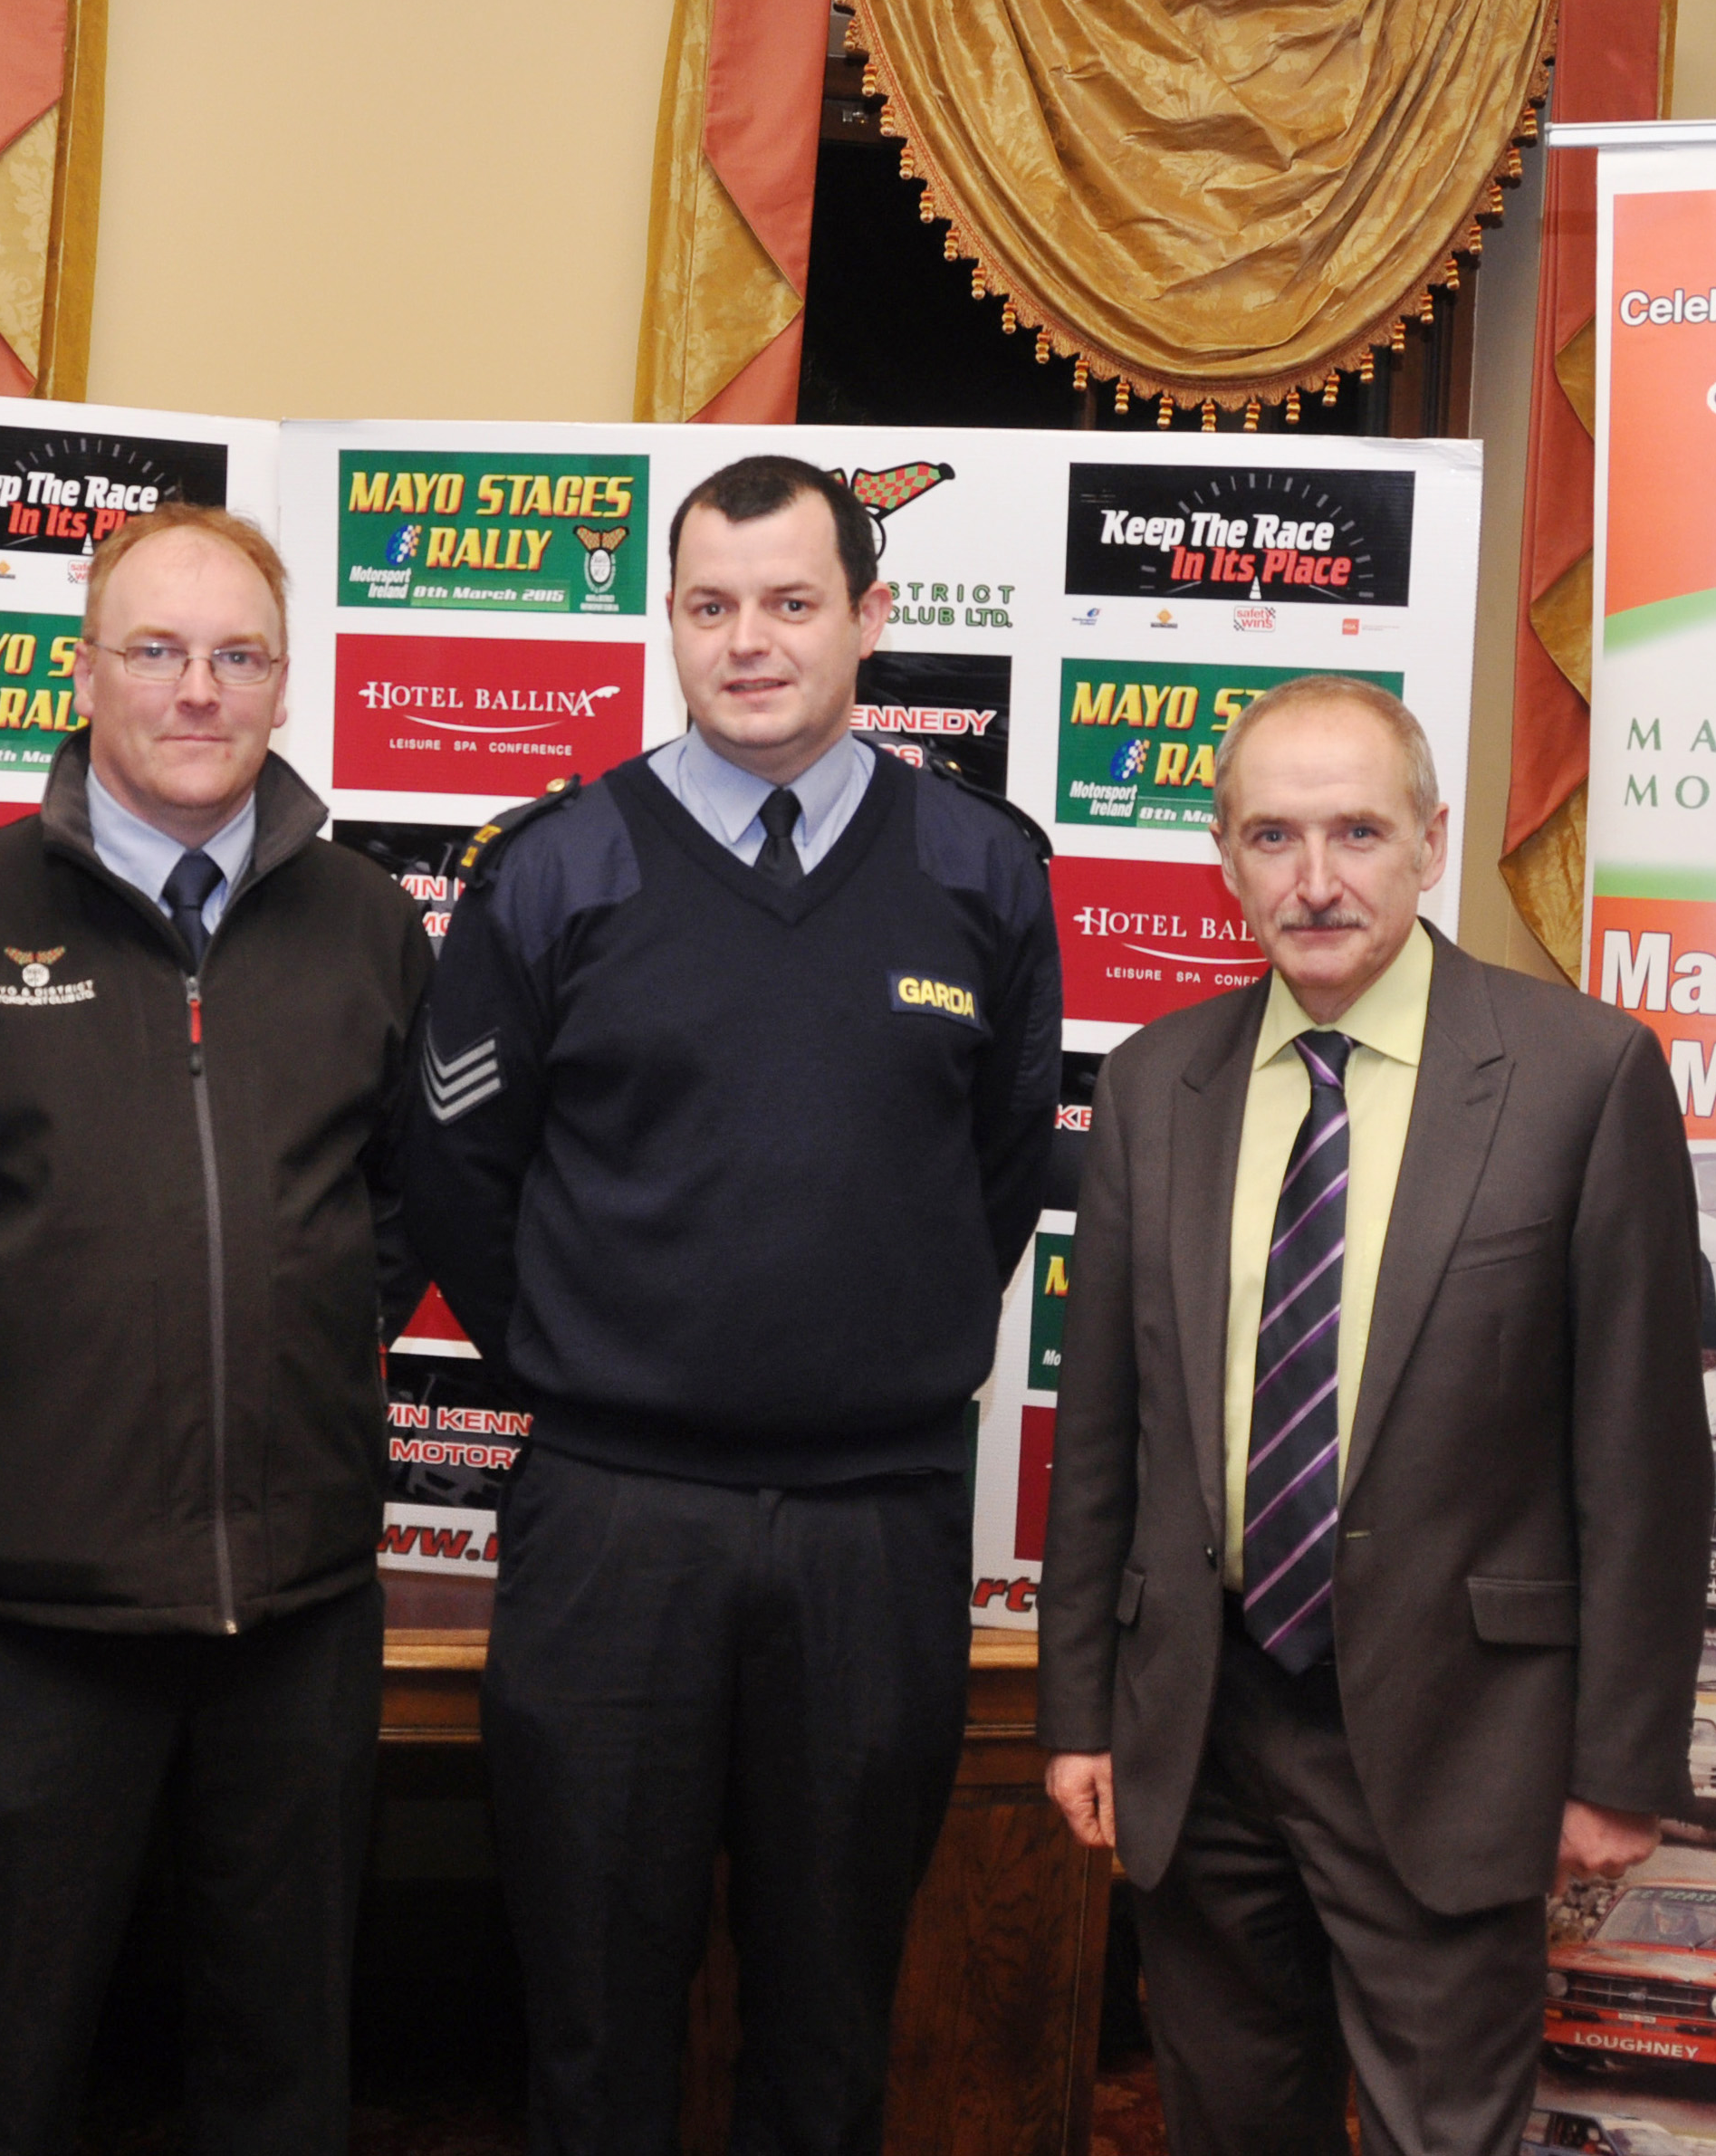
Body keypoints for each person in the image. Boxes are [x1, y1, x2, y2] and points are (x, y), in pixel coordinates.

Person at [405, 455, 1060, 2155]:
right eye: (710, 607)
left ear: (870, 620)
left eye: (789, 602)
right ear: (671, 625)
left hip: (876, 1527)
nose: (749, 642)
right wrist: (583, 1363)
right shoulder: (555, 868)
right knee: (590, 2029)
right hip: (613, 1527)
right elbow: (460, 1167)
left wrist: (871, 1344)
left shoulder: (981, 870)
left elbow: (995, 1175)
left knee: (832, 2021)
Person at [0, 502, 431, 2156]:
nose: (196, 690)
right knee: (4, 2060)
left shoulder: (370, 922)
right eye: (153, 650)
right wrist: (1, 1375)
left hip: (297, 1607)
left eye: (235, 655)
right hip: (33, 1618)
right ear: (82, 674)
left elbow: (414, 1202)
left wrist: (289, 1353)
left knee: (280, 2066)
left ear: (286, 683)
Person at [1034, 675, 1710, 2156]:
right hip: (1197, 1727)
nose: (1316, 879)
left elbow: (1645, 1460)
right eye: (1272, 837)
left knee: (1439, 2137)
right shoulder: (1154, 1084)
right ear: (1222, 860)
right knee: (1225, 2124)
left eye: (1356, 830)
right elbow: (1102, 1432)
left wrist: (1615, 1766)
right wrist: (1080, 1707)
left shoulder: (1579, 1078)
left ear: (1429, 840)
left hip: (1456, 1736)